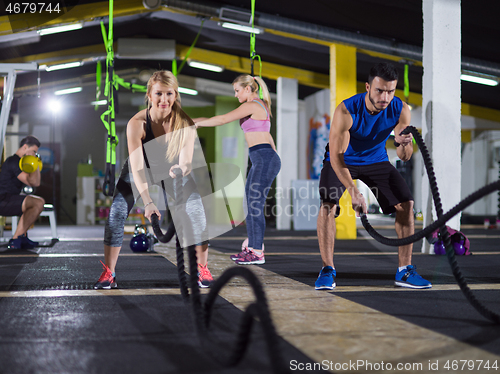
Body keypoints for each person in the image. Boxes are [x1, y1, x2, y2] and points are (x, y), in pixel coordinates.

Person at [315, 62, 432, 290]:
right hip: (342, 160)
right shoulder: (347, 111)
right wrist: (353, 192)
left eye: (390, 91)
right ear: (368, 87)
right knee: (328, 205)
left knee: (406, 204)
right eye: (379, 90)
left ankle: (404, 270)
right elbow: (337, 156)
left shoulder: (401, 109)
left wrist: (402, 143)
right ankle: (327, 269)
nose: (385, 97)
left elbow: (404, 156)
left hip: (376, 160)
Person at [94, 70, 212, 289]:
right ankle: (109, 272)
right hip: (140, 169)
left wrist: (181, 169)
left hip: (171, 169)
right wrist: (148, 202)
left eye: (169, 94)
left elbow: (186, 162)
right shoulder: (137, 123)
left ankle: (202, 269)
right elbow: (137, 168)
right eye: (158, 94)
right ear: (149, 94)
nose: (164, 100)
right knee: (117, 212)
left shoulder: (184, 123)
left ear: (175, 95)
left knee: (196, 211)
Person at [195, 75, 281, 265]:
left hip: (264, 158)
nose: (235, 95)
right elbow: (267, 137)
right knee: (248, 204)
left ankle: (257, 252)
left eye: (237, 90)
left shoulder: (252, 105)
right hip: (263, 158)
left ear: (248, 89)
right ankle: (253, 246)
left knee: (253, 204)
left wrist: (196, 122)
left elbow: (223, 119)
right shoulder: (260, 105)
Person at [0, 136, 45, 250]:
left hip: (9, 199)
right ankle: (15, 239)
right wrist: (33, 161)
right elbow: (31, 181)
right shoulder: (14, 161)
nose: (35, 155)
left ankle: (22, 237)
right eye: (34, 151)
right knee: (37, 203)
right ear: (25, 147)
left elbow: (36, 183)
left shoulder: (22, 163)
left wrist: (35, 163)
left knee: (36, 203)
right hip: (2, 200)